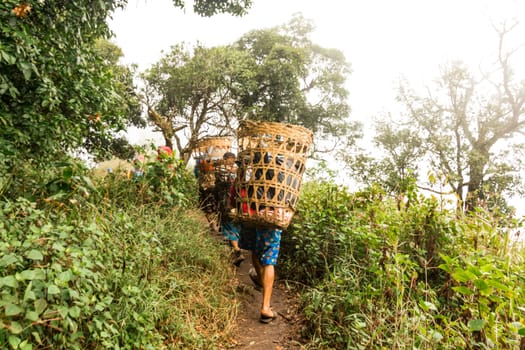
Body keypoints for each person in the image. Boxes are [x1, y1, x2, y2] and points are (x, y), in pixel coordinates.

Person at [239, 224, 282, 324]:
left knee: (255, 248)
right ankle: (265, 308)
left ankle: (260, 278)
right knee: (269, 259)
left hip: (250, 218)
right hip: (269, 221)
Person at [216, 152, 245, 266]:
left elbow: (218, 187)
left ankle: (237, 251)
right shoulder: (239, 170)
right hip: (240, 202)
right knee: (236, 225)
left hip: (227, 202)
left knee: (229, 226)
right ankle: (235, 252)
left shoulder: (221, 170)